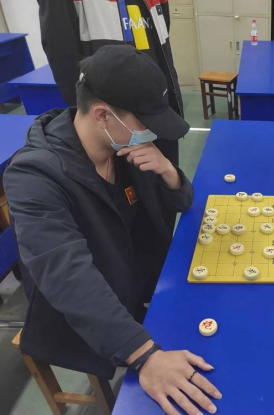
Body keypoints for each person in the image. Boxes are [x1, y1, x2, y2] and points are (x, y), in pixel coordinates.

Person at [5, 46, 222, 415]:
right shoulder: (34, 177)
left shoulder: (124, 146)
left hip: (143, 283)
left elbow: (184, 203)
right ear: (103, 115)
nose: (151, 132)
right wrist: (146, 357)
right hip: (86, 313)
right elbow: (68, 278)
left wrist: (169, 172)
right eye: (143, 122)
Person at [37, 0, 183, 231]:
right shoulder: (41, 177)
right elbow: (62, 55)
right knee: (121, 213)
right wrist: (96, 128)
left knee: (158, 206)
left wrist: (168, 166)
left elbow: (161, 44)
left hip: (154, 111)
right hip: (114, 120)